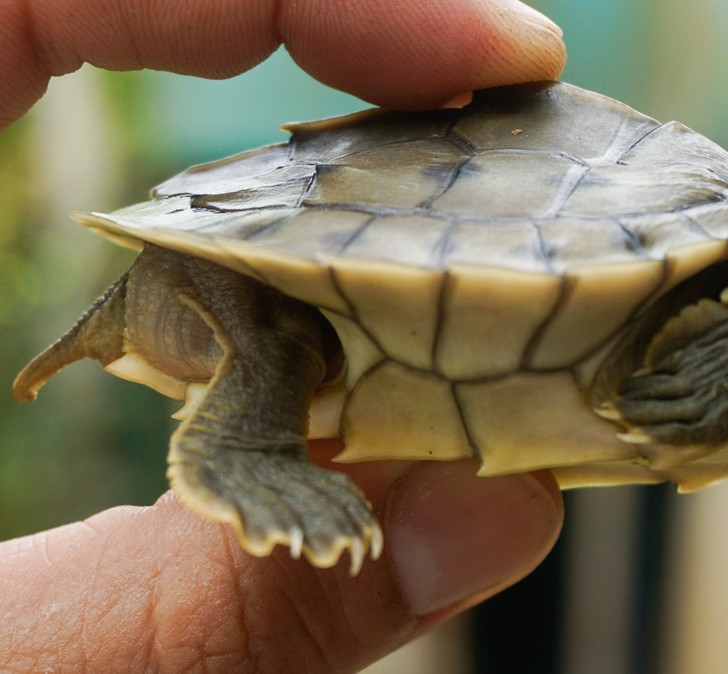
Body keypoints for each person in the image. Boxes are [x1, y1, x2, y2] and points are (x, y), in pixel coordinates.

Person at [0, 1, 567, 671]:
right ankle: (244, 450)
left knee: (281, 328)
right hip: (235, 280)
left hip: (264, 278)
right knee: (280, 331)